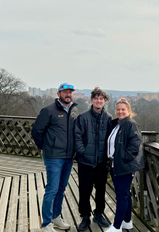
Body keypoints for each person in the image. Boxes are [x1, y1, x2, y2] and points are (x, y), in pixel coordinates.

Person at [31, 82, 78, 232]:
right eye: (65, 92)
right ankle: (46, 223)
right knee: (51, 189)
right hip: (53, 157)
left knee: (61, 188)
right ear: (58, 94)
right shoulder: (48, 110)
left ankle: (56, 217)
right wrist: (45, 148)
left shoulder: (73, 111)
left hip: (68, 157)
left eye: (70, 92)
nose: (68, 94)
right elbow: (36, 132)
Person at [75, 87, 113, 230]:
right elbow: (77, 136)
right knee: (85, 190)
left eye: (101, 99)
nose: (98, 101)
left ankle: (99, 214)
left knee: (101, 190)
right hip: (85, 161)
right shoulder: (83, 117)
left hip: (101, 161)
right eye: (96, 98)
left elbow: (111, 139)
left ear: (104, 101)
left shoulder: (108, 118)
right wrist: (82, 151)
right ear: (91, 100)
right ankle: (85, 216)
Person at [105, 98, 144, 232]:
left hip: (124, 166)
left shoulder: (131, 124)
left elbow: (135, 145)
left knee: (121, 196)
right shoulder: (117, 124)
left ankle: (116, 226)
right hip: (115, 165)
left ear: (128, 111)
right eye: (118, 109)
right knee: (125, 194)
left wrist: (123, 159)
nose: (120, 112)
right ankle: (127, 222)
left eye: (123, 109)